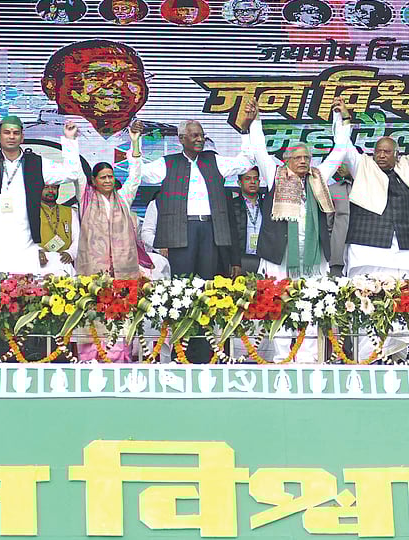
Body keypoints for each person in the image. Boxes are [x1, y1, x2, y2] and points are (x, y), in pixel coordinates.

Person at [238, 99, 350, 362]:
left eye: (307, 157)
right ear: (286, 160)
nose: (303, 161)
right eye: (298, 158)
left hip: (313, 258)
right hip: (280, 256)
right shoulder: (273, 174)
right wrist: (256, 120)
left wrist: (340, 120)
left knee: (310, 306)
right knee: (279, 305)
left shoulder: (318, 176)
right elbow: (258, 150)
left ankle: (308, 358)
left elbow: (340, 151)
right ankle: (280, 358)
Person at [0, 109, 82, 278]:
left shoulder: (37, 164)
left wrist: (70, 141)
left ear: (22, 137)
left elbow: (71, 173)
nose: (11, 136)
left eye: (16, 133)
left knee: (20, 296)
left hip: (23, 245)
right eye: (7, 132)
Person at [137, 115, 258, 279]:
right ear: (181, 139)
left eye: (202, 135)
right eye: (195, 135)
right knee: (181, 282)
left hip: (210, 229)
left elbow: (246, 162)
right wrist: (134, 142)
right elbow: (139, 173)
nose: (200, 139)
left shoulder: (214, 160)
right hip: (180, 231)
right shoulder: (168, 163)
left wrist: (245, 132)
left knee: (209, 280)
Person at [337, 102, 409, 278]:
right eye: (378, 151)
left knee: (404, 291)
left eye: (386, 152)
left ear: (396, 154)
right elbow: (345, 147)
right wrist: (344, 120)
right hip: (367, 243)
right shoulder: (362, 165)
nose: (381, 155)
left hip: (405, 243)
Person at [73, 128, 148, 362]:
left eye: (110, 176)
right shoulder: (85, 198)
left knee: (122, 317)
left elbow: (135, 177)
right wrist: (70, 141)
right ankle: (89, 359)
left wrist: (135, 144)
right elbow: (76, 172)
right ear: (94, 181)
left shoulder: (123, 198)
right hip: (94, 271)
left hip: (122, 269)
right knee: (92, 316)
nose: (108, 180)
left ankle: (120, 357)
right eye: (103, 177)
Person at [227, 166, 263, 275]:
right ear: (239, 183)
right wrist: (235, 261)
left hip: (264, 259)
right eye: (247, 179)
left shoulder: (267, 204)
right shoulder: (232, 205)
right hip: (240, 259)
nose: (252, 182)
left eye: (255, 179)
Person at [38, 182, 79, 275]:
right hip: (40, 262)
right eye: (46, 187)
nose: (51, 191)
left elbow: (78, 238)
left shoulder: (69, 211)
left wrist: (70, 253)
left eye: (54, 188)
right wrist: (36, 252)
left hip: (63, 262)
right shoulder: (31, 211)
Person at [327, 163, 351, 276]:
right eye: (338, 164)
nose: (339, 167)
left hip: (365, 250)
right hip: (339, 250)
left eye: (344, 164)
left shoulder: (371, 187)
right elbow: (328, 224)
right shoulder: (333, 189)